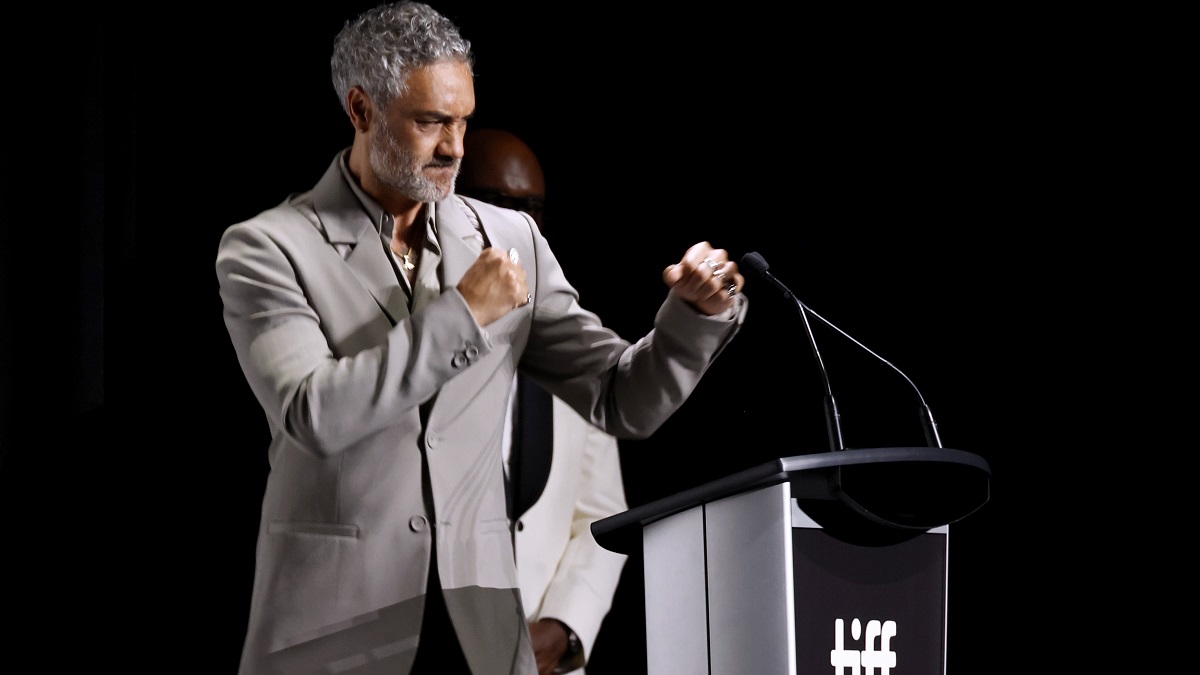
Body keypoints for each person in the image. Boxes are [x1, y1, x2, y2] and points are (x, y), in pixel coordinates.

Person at [214, 3, 748, 674]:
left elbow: (620, 399)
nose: (455, 147)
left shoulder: (508, 237)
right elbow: (312, 416)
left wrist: (692, 317)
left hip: (481, 638)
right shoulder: (267, 247)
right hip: (331, 636)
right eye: (430, 121)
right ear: (360, 109)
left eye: (462, 120)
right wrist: (464, 315)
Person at [458, 127, 628, 675]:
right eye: (496, 204)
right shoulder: (407, 336)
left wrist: (563, 628)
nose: (515, 228)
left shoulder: (567, 344)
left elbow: (602, 515)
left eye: (531, 212)